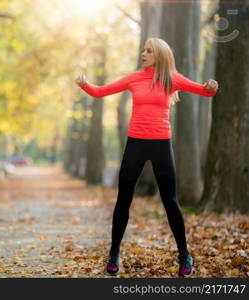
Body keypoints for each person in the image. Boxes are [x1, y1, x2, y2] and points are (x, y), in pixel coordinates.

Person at [75, 37, 218, 277]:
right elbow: (100, 92)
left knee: (170, 201)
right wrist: (84, 84)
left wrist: (211, 86)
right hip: (136, 144)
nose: (144, 53)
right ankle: (114, 253)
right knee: (123, 200)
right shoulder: (134, 78)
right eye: (143, 49)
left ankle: (184, 255)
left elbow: (204, 91)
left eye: (149, 51)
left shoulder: (171, 79)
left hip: (161, 145)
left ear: (160, 55)